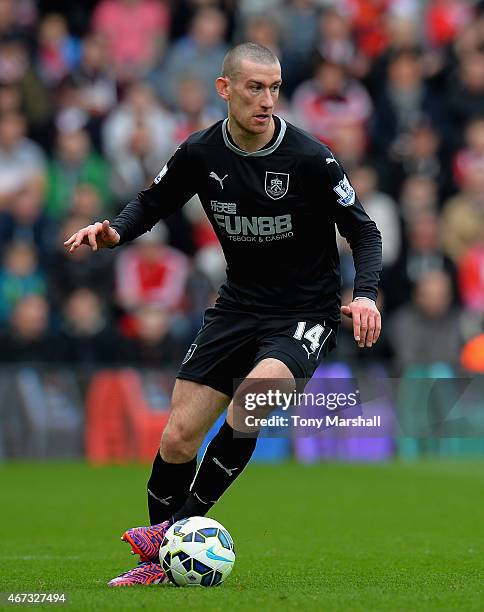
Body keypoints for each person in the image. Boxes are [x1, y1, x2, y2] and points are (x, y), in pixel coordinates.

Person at [64, 42, 382, 587]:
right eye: (255, 87)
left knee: (254, 399)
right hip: (237, 307)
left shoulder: (309, 157)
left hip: (304, 312)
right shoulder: (200, 153)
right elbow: (153, 202)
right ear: (225, 88)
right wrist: (114, 230)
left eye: (275, 87)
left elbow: (364, 229)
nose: (267, 99)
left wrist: (368, 294)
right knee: (177, 438)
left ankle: (176, 531)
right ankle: (158, 565)